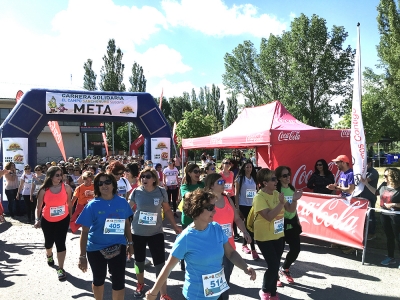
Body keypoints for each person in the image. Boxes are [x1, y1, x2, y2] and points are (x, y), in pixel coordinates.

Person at [145, 189, 256, 300]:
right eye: (210, 208)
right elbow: (168, 268)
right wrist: (154, 292)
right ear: (197, 209)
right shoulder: (186, 238)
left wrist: (245, 267)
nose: (214, 211)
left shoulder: (216, 228)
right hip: (196, 296)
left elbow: (231, 253)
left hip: (218, 293)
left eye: (214, 207)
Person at [77, 172, 134, 300]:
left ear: (114, 185)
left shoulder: (122, 202)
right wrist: (82, 256)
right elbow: (84, 231)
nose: (104, 185)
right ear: (97, 187)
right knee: (98, 279)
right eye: (100, 183)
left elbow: (126, 225)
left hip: (118, 246)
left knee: (119, 281)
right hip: (96, 248)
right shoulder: (92, 205)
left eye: (107, 182)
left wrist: (130, 244)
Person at [129, 167, 181, 299]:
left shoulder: (161, 191)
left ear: (154, 179)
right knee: (139, 261)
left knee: (160, 263)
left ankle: (163, 293)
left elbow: (168, 210)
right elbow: (127, 209)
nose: (144, 179)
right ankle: (140, 283)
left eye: (147, 176)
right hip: (138, 232)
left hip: (156, 232)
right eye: (142, 177)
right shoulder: (136, 192)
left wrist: (175, 226)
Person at [253, 168, 301, 300]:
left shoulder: (276, 193)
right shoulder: (259, 197)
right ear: (264, 182)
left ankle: (273, 293)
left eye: (275, 178)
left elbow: (290, 209)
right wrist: (280, 204)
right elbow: (269, 216)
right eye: (273, 179)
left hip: (278, 235)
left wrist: (295, 199)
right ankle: (264, 290)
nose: (276, 181)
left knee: (275, 265)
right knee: (273, 265)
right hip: (264, 237)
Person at [204, 173, 252, 300]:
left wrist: (245, 232)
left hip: (230, 248)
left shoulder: (227, 199)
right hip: (213, 250)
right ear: (211, 185)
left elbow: (237, 218)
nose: (223, 184)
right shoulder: (206, 202)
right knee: (213, 287)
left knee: (225, 284)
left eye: (223, 181)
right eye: (219, 182)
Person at [33, 166, 73, 281]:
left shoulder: (66, 188)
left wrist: (70, 219)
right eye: (57, 175)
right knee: (49, 242)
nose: (60, 177)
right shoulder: (43, 190)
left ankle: (60, 268)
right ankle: (49, 255)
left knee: (61, 243)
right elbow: (39, 206)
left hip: (63, 219)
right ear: (50, 176)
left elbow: (69, 204)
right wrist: (37, 219)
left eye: (61, 175)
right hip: (47, 220)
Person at [361, 167, 400, 267]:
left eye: (386, 176)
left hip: (396, 216)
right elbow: (376, 192)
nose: (384, 178)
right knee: (389, 237)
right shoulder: (384, 185)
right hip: (384, 214)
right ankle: (391, 257)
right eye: (384, 176)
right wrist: (366, 184)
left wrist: (394, 205)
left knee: (398, 238)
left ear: (394, 177)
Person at [275, 166, 302, 285]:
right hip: (280, 224)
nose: (288, 177)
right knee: (278, 252)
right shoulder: (277, 191)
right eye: (284, 176)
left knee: (296, 249)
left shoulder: (292, 188)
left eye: (288, 175)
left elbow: (293, 211)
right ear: (279, 178)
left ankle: (285, 268)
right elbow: (290, 209)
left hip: (292, 224)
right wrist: (295, 200)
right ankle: (274, 276)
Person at [178, 163, 205, 270]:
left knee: (199, 242)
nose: (198, 174)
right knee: (187, 243)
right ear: (189, 173)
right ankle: (183, 260)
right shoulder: (184, 186)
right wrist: (199, 194)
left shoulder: (203, 184)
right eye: (195, 172)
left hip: (201, 218)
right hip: (188, 219)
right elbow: (187, 195)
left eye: (199, 171)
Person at [234, 159, 258, 259]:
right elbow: (236, 193)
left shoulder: (254, 178)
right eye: (247, 167)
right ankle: (253, 249)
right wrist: (237, 207)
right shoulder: (240, 178)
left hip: (253, 205)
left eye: (250, 167)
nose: (249, 169)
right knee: (249, 227)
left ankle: (244, 244)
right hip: (243, 205)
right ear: (243, 168)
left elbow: (257, 190)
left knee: (250, 227)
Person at [357, 158, 379, 240]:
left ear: (369, 163)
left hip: (370, 197)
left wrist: (357, 176)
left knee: (371, 215)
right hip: (361, 196)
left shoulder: (373, 172)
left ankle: (372, 233)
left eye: (364, 164)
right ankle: (364, 231)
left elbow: (364, 181)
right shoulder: (364, 171)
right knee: (363, 215)